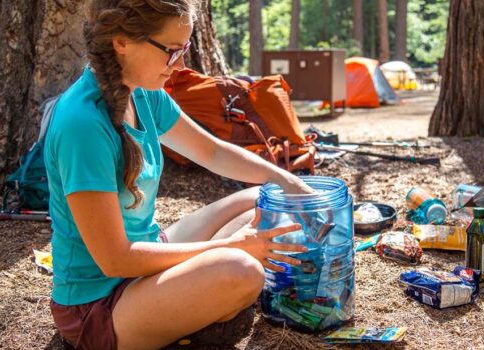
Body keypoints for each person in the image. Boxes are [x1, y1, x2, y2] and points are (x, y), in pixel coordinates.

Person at [45, 1, 314, 349]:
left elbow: (212, 152)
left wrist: (288, 181)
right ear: (122, 41)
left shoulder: (142, 93)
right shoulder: (82, 124)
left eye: (184, 48)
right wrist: (228, 246)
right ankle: (196, 311)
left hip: (146, 260)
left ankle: (192, 305)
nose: (183, 64)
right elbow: (115, 259)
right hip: (98, 305)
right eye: (172, 51)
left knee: (263, 199)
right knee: (242, 270)